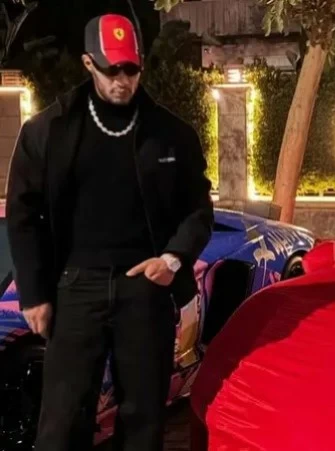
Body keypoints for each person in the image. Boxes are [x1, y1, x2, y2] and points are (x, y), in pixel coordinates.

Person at [6, 13, 213, 451]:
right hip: (74, 286)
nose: (122, 80)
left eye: (130, 69)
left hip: (146, 287)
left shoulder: (171, 134)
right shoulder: (49, 131)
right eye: (111, 70)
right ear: (88, 63)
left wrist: (173, 259)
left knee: (143, 419)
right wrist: (34, 293)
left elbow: (198, 209)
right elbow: (23, 214)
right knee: (62, 421)